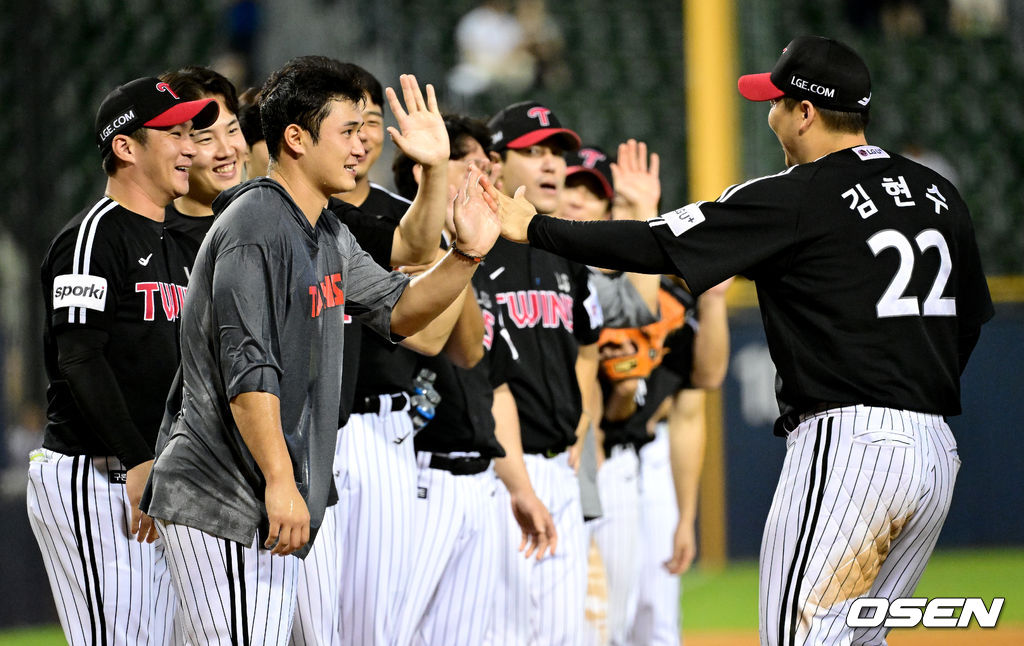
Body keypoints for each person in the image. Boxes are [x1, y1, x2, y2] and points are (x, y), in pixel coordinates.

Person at [495, 36, 994, 646]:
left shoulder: (796, 194)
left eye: (776, 101)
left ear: (805, 111)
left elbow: (658, 242)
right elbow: (967, 321)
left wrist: (537, 229)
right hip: (935, 452)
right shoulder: (938, 194)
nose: (770, 113)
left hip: (851, 446)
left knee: (800, 636)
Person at [140, 57, 501, 646]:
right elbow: (248, 371)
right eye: (348, 130)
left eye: (365, 130)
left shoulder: (324, 227)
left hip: (272, 486)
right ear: (296, 138)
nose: (363, 145)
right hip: (224, 492)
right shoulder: (255, 223)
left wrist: (465, 255)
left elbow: (397, 309)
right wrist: (281, 480)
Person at [28, 76, 218, 646]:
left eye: (193, 132)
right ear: (126, 146)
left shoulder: (178, 241)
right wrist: (138, 460)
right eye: (173, 133)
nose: (191, 147)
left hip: (159, 476)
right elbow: (79, 357)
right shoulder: (91, 237)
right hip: (101, 476)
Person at [390, 114, 558, 646]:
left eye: (491, 166)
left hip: (478, 473)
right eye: (473, 163)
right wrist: (457, 251)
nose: (488, 175)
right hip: (412, 470)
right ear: (427, 170)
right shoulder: (396, 248)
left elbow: (480, 367)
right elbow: (426, 338)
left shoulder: (474, 259)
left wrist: (520, 487)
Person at [483, 100, 604, 646]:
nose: (553, 164)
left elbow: (587, 350)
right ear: (495, 162)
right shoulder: (470, 248)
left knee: (565, 636)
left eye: (558, 152)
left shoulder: (567, 250)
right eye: (535, 152)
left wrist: (583, 425)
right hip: (496, 474)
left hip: (559, 470)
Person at [161, 66, 249, 244]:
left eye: (232, 130)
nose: (226, 151)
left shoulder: (272, 219)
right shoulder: (154, 238)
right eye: (206, 139)